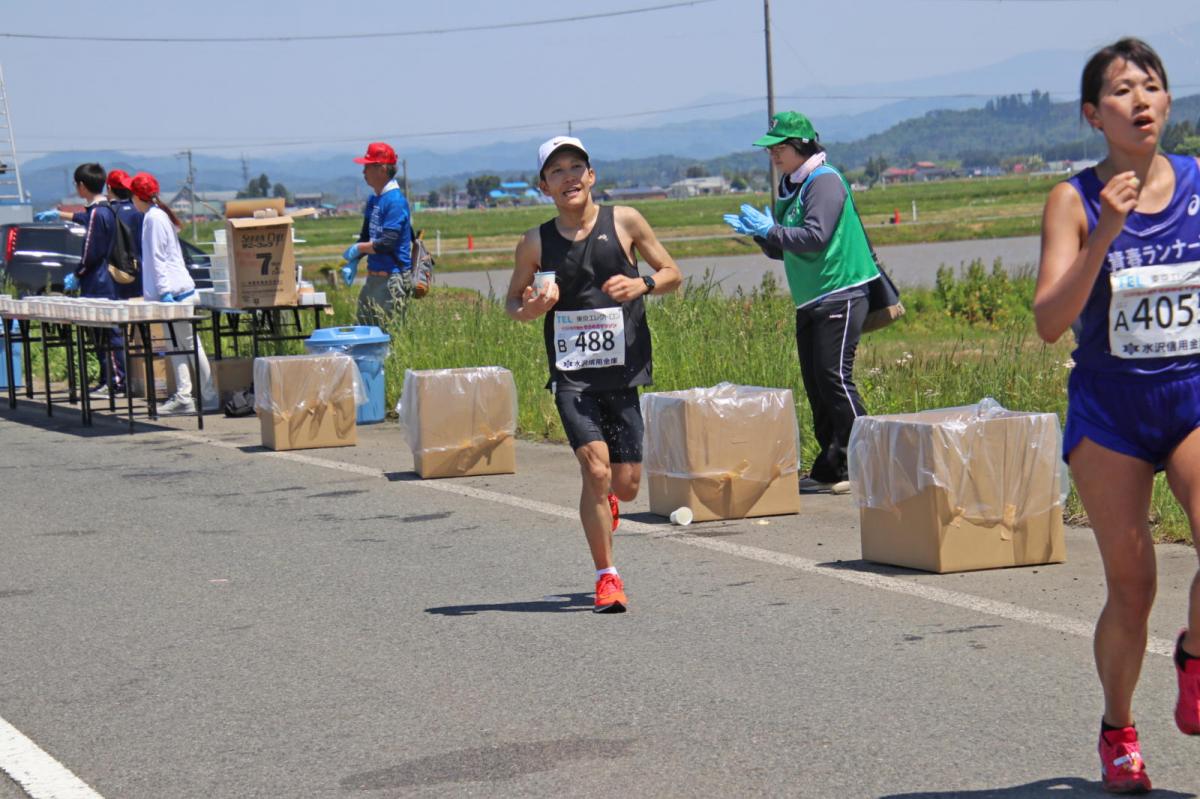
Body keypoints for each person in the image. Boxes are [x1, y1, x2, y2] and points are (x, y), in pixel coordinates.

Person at [1034, 38, 1200, 793]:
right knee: (1133, 587)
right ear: (1093, 115)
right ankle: (1118, 728)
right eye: (1122, 90)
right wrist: (1103, 231)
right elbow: (1047, 319)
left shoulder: (1199, 183)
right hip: (1111, 412)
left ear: (1168, 103)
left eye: (1152, 86)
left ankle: (1194, 654)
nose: (1140, 99)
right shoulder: (1073, 199)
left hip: (1192, 397)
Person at [505, 136, 681, 613]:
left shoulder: (624, 221)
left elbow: (671, 272)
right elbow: (511, 302)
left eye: (575, 167)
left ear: (591, 175)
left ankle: (607, 501)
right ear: (544, 187)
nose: (569, 177)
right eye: (556, 171)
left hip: (624, 371)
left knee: (624, 483)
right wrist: (531, 308)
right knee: (596, 469)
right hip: (572, 377)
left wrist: (641, 283)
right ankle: (608, 576)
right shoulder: (536, 241)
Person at [722, 112, 877, 495]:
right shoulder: (792, 187)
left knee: (834, 378)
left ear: (801, 146)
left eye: (780, 147)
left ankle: (875, 460)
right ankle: (833, 467)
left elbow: (816, 236)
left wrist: (770, 229)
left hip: (841, 290)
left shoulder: (824, 181)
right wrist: (761, 236)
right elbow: (784, 250)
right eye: (771, 148)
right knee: (816, 383)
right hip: (811, 298)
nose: (774, 154)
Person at [129, 172, 217, 415]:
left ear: (138, 196)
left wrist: (165, 292)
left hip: (175, 294)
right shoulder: (157, 215)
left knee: (186, 346)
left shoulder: (154, 219)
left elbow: (158, 259)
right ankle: (186, 395)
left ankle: (204, 396)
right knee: (178, 347)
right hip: (177, 292)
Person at [59, 163, 127, 395]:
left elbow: (90, 251)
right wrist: (62, 214)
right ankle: (108, 378)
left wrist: (77, 273)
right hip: (104, 280)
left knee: (106, 333)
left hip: (98, 281)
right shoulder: (102, 209)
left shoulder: (98, 213)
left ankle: (115, 380)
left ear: (82, 186)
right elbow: (84, 217)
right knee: (101, 333)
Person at [340, 142, 413, 327]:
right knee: (364, 330)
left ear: (381, 169)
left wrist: (357, 249)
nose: (363, 171)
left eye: (367, 166)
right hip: (373, 278)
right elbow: (367, 237)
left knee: (390, 335)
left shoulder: (395, 201)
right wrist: (355, 259)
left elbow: (387, 243)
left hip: (392, 279)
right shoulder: (374, 200)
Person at [105, 169, 145, 301]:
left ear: (109, 188)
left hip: (115, 274)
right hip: (139, 273)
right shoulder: (139, 211)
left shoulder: (106, 212)